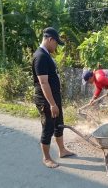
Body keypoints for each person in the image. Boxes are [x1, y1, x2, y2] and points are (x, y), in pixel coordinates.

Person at [32, 27, 74, 168]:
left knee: (59, 124)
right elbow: (43, 82)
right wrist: (52, 104)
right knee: (48, 127)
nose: (56, 47)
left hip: (53, 98)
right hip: (46, 100)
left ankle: (62, 150)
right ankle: (46, 158)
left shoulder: (47, 54)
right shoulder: (40, 56)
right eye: (56, 43)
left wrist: (55, 102)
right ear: (50, 39)